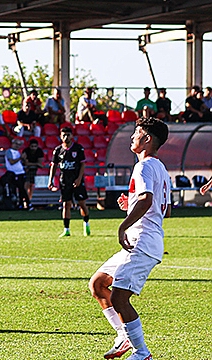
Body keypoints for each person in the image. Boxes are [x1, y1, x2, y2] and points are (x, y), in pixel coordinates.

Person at [88, 117, 170, 360]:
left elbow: (146, 200)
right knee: (98, 284)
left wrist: (124, 224)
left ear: (147, 139)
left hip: (142, 241)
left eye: (136, 133)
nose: (132, 137)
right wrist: (130, 206)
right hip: (140, 239)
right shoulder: (160, 167)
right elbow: (157, 204)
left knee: (119, 297)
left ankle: (142, 353)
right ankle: (124, 335)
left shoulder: (144, 166)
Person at [48, 127, 91, 237]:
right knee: (66, 204)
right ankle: (66, 229)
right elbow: (54, 166)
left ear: (72, 136)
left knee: (81, 203)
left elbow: (82, 164)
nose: (66, 137)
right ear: (60, 136)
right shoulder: (58, 150)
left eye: (68, 135)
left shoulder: (78, 149)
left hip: (76, 180)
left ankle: (86, 224)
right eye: (63, 135)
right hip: (64, 181)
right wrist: (50, 180)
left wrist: (79, 178)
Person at [5, 138, 30, 209]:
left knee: (22, 189)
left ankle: (23, 203)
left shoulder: (18, 152)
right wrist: (20, 158)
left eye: (19, 145)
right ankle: (19, 203)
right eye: (16, 144)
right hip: (13, 173)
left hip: (20, 173)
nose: (17, 146)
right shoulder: (9, 151)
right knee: (17, 189)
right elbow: (11, 162)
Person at [21, 138, 44, 209]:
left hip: (34, 170)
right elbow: (26, 163)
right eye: (32, 146)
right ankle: (24, 200)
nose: (34, 148)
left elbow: (40, 163)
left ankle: (29, 200)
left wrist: (33, 164)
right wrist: (35, 164)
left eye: (35, 146)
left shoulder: (39, 151)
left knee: (31, 185)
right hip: (26, 170)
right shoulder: (26, 151)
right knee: (25, 185)